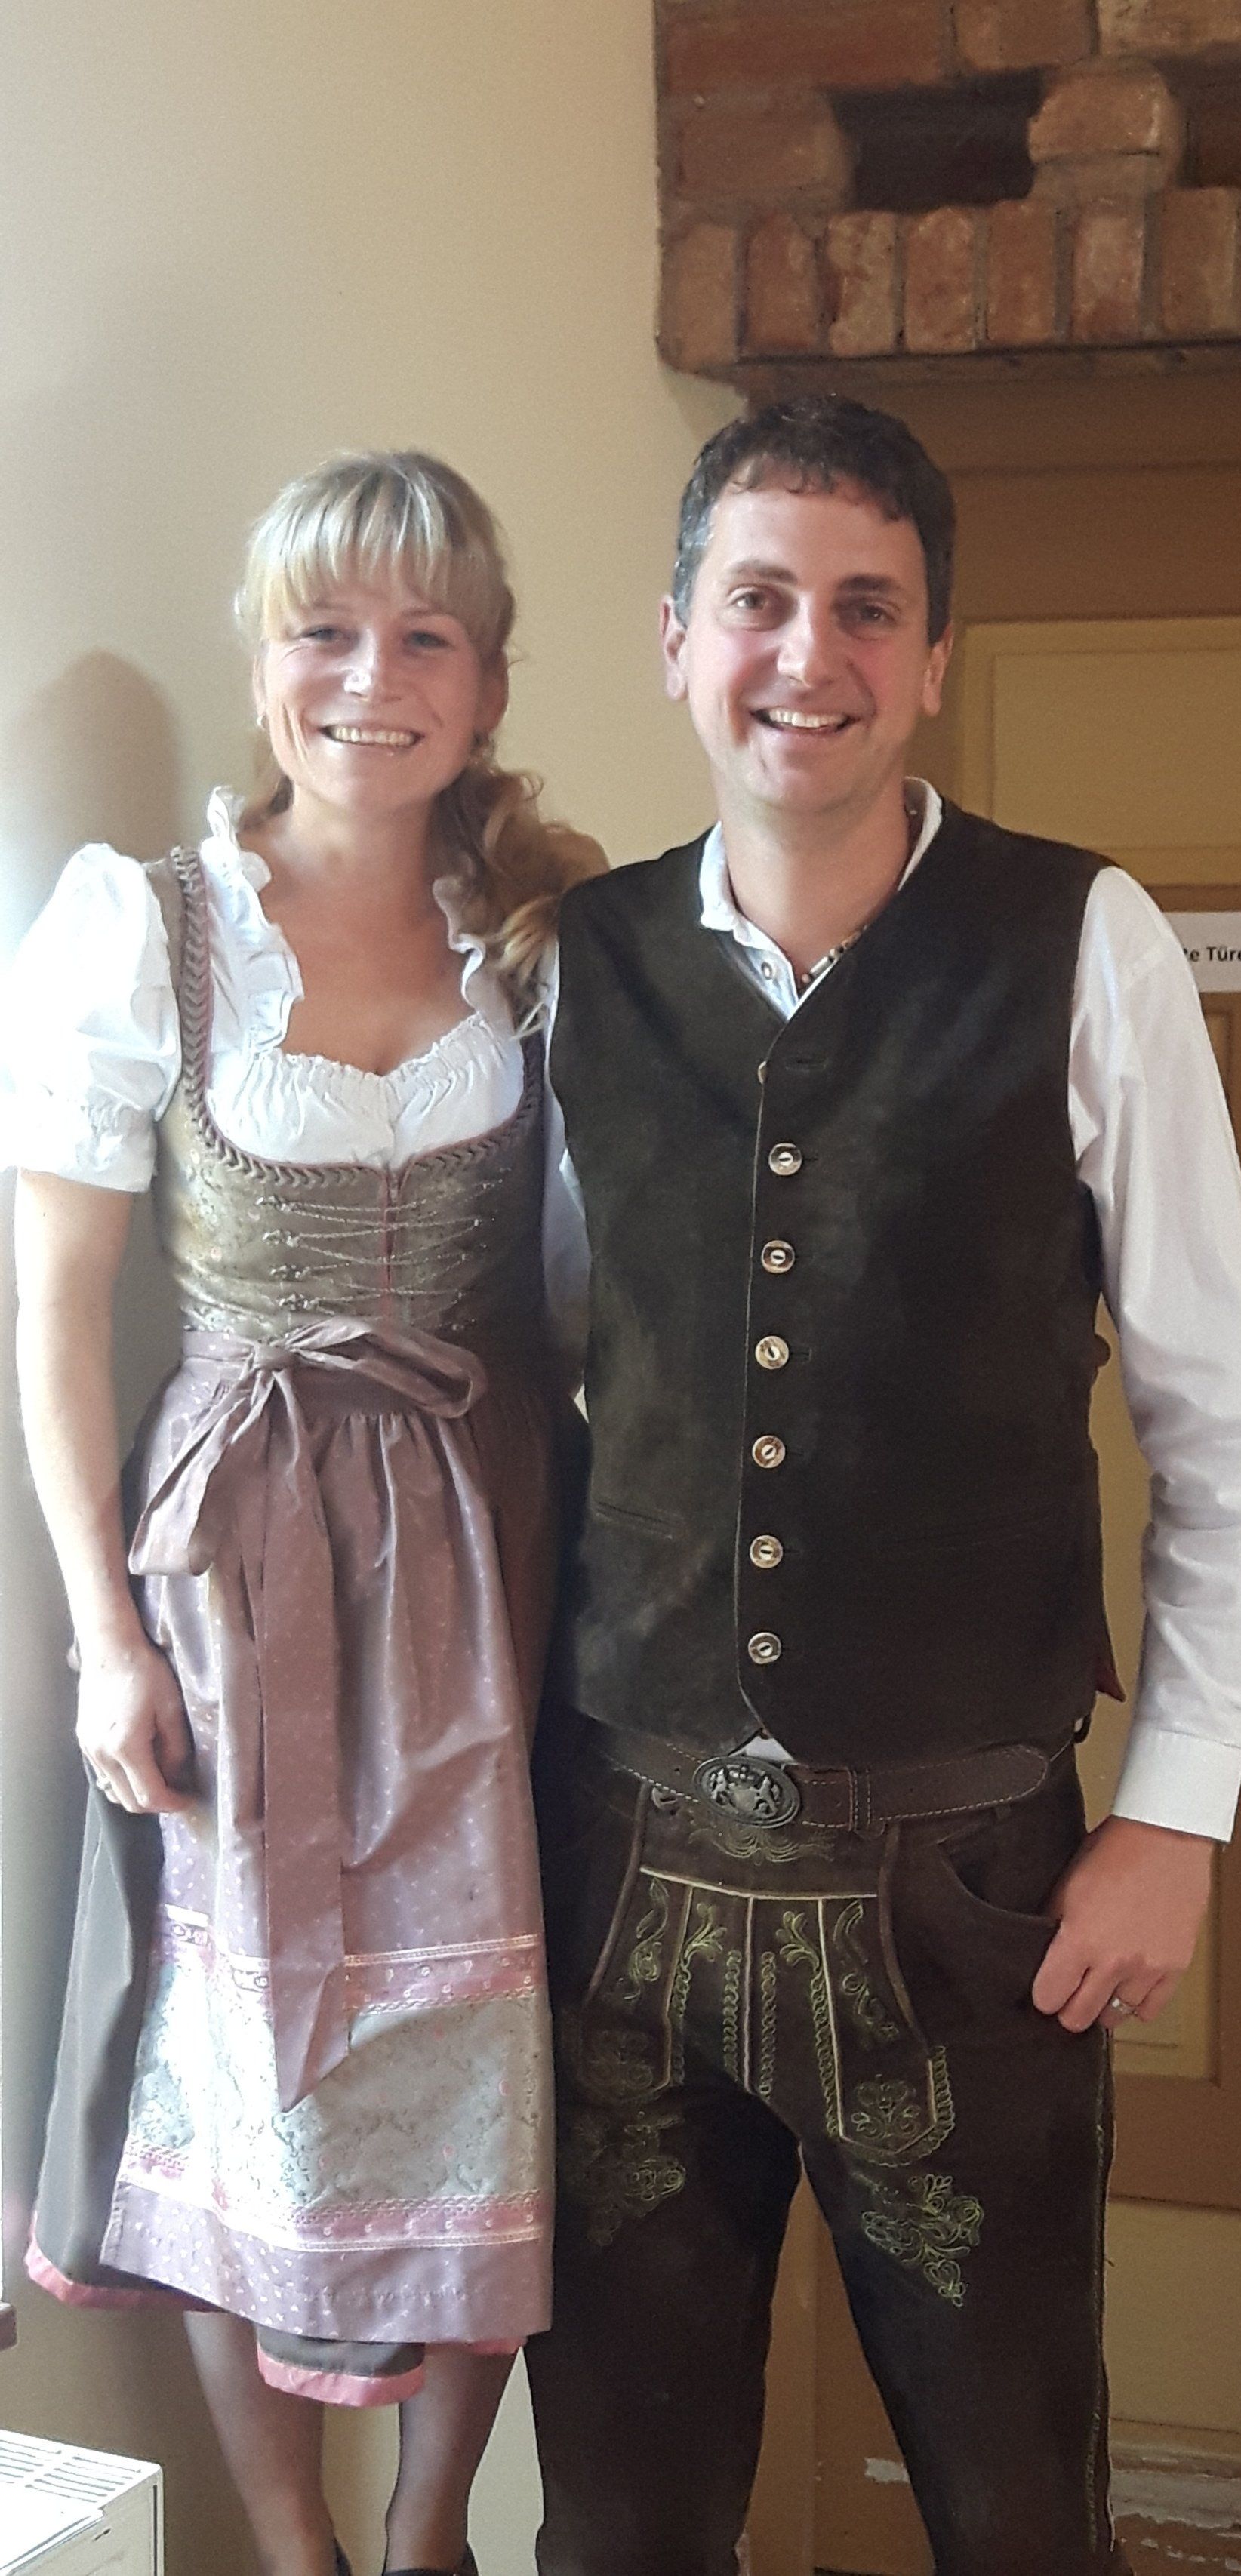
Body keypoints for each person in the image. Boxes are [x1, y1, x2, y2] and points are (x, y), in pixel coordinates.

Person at [524, 396, 1241, 2576]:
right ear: (678, 640)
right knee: (617, 2529)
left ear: (937, 657)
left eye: (868, 608)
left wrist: (1177, 1811)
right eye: (760, 600)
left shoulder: (1082, 940)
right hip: (621, 1877)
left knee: (1017, 2517)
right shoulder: (576, 969)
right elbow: (534, 1382)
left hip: (967, 1892)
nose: (812, 654)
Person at [4, 451, 601, 2576]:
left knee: (479, 2033)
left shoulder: (549, 930)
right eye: (325, 630)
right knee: (244, 2040)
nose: (372, 677)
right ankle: (293, 2548)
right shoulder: (142, 924)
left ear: (489, 679)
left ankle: (431, 2537)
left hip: (491, 1540)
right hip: (234, 1556)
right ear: (266, 663)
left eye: (424, 636)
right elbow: (56, 1308)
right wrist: (105, 1636)